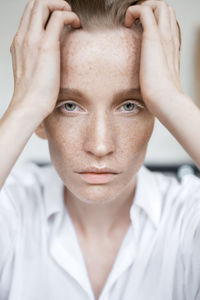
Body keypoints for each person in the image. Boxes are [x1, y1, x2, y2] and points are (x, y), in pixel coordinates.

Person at [0, 0, 200, 299]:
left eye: (130, 105)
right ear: (40, 119)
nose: (100, 146)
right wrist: (24, 107)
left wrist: (172, 99)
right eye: (69, 105)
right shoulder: (12, 209)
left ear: (157, 114)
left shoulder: (187, 215)